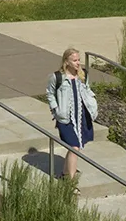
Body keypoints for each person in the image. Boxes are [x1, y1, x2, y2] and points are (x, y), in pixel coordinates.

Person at [46, 47, 98, 193]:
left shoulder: (83, 75)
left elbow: (87, 89)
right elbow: (50, 93)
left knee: (77, 146)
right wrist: (55, 109)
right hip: (65, 118)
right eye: (74, 60)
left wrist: (92, 105)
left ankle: (64, 174)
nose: (78, 63)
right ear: (66, 61)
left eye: (78, 60)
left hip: (81, 115)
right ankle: (71, 183)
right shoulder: (57, 77)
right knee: (74, 147)